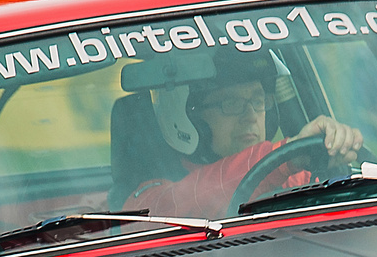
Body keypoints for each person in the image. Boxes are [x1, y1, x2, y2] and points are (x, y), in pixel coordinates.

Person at [126, 51, 364, 220]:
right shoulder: (152, 199)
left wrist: (338, 148)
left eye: (258, 101)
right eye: (231, 103)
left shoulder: (293, 175)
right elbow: (198, 196)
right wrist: (288, 156)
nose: (251, 115)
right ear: (188, 117)